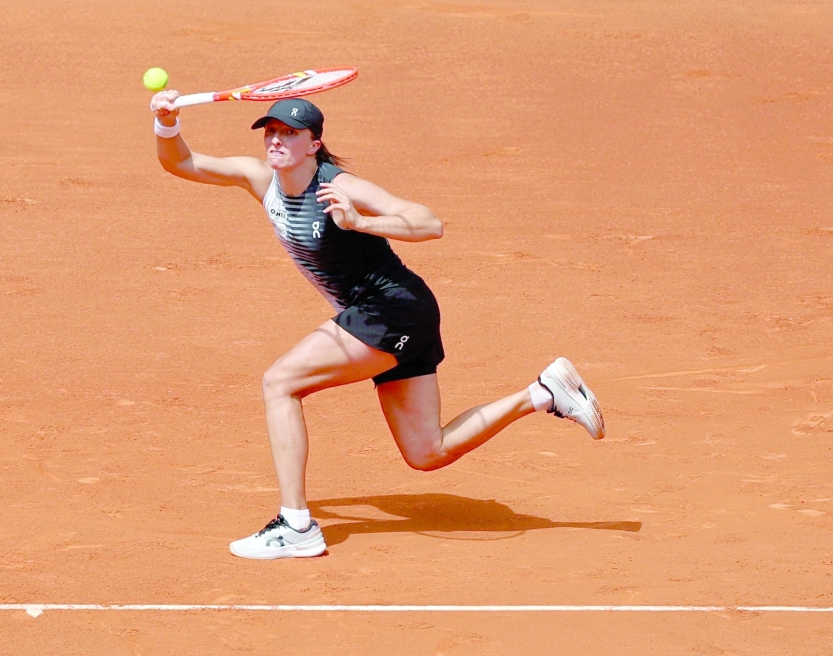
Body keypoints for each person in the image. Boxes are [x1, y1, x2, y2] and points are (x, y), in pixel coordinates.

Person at [149, 92, 605, 560]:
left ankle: (296, 525)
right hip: (394, 316)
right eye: (271, 131)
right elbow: (180, 162)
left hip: (391, 310)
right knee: (427, 452)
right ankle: (544, 392)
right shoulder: (258, 178)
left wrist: (359, 222)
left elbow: (430, 224)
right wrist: (167, 121)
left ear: (314, 144)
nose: (276, 140)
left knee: (280, 382)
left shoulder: (339, 186)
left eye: (290, 133)